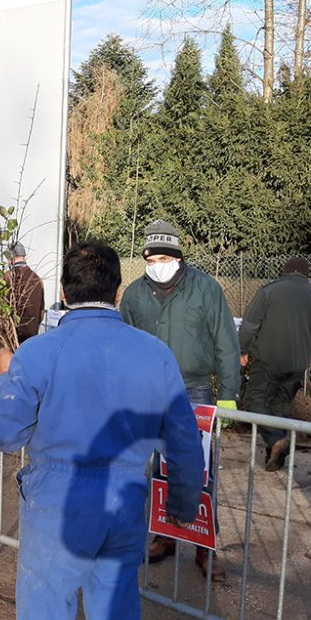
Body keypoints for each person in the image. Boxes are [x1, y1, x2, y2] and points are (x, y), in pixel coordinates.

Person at [0, 241, 205, 620]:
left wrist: (6, 378)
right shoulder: (155, 354)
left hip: (55, 508)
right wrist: (183, 507)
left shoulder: (38, 354)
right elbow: (184, 442)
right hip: (124, 505)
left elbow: (2, 433)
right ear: (118, 290)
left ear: (63, 292)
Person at [119, 219, 240, 582]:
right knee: (155, 469)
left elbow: (225, 343)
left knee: (198, 471)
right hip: (146, 391)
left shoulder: (206, 289)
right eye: (151, 259)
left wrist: (229, 395)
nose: (158, 265)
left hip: (194, 391)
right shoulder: (135, 295)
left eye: (164, 258)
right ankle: (165, 537)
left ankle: (206, 549)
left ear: (177, 257)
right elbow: (121, 342)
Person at [239, 256, 311, 471]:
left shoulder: (268, 291)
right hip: (297, 365)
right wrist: (310, 352)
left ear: (284, 271)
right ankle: (274, 457)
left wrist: (242, 349)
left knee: (255, 403)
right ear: (305, 274)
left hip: (267, 360)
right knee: (278, 408)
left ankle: (276, 440)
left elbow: (250, 325)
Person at [9, 241, 45, 343]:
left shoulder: (8, 278)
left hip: (11, 338)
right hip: (31, 338)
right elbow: (41, 313)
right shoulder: (37, 279)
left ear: (11, 257)